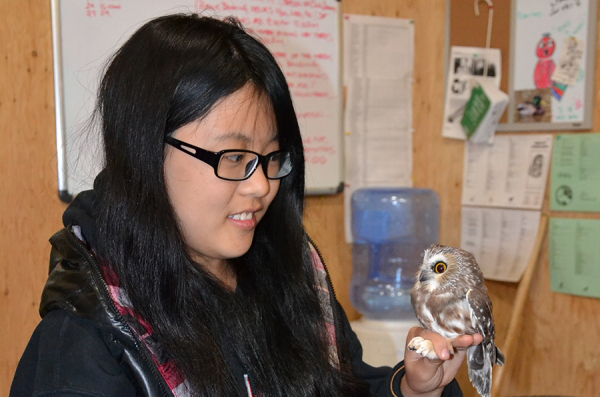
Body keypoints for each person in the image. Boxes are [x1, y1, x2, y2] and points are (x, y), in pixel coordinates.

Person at [10, 14, 481, 397]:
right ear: (146, 154)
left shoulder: (290, 269)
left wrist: (414, 391)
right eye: (234, 158)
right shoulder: (88, 336)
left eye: (271, 157)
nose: (261, 187)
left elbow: (341, 387)